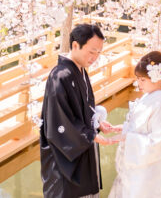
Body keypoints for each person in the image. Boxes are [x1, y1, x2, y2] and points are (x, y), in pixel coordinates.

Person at [40, 23, 116, 197]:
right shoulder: (60, 76)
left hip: (82, 153)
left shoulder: (80, 71)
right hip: (64, 162)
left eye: (98, 52)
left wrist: (97, 123)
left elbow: (82, 110)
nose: (95, 57)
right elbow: (59, 120)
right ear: (75, 45)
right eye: (91, 51)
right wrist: (90, 135)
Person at [106, 50, 161, 197]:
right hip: (139, 169)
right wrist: (124, 129)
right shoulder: (150, 99)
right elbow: (142, 130)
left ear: (156, 78)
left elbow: (158, 144)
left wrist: (127, 137)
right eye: (138, 79)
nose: (139, 84)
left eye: (142, 80)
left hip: (152, 173)